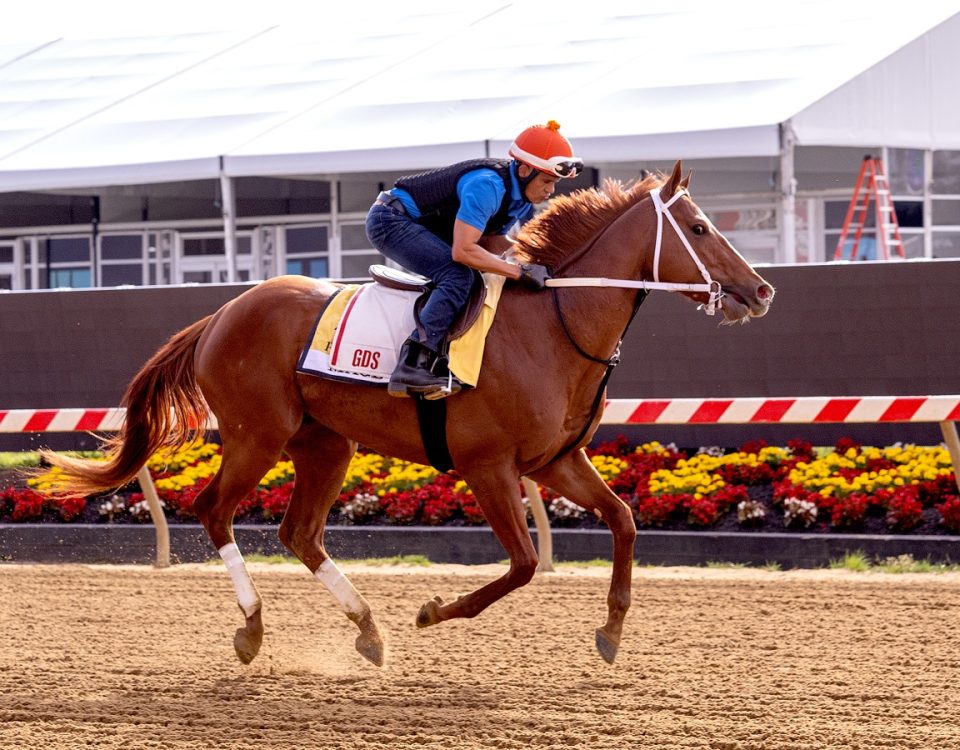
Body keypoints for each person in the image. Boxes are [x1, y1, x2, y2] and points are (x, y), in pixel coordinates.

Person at [365, 120, 583, 399]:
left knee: (479, 274)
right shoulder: (488, 185)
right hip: (390, 221)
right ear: (526, 170)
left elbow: (491, 242)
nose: (551, 191)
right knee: (458, 275)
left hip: (422, 226)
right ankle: (413, 363)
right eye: (548, 181)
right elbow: (464, 251)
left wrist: (537, 261)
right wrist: (519, 272)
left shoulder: (521, 197)